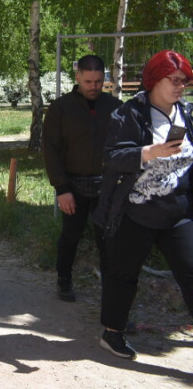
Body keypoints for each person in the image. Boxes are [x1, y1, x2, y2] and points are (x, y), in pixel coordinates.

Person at [93, 50, 193, 360]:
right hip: (135, 211)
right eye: (174, 80)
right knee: (123, 275)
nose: (180, 87)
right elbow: (112, 157)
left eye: (185, 81)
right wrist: (150, 152)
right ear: (154, 79)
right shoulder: (129, 114)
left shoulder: (186, 113)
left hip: (177, 212)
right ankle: (112, 333)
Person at [42, 54, 121, 302]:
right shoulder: (61, 108)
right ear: (77, 77)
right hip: (72, 186)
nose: (93, 87)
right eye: (88, 81)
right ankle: (64, 280)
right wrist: (61, 188)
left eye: (98, 81)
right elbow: (51, 149)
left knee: (108, 240)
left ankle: (112, 292)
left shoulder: (115, 107)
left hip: (106, 186)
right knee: (70, 236)